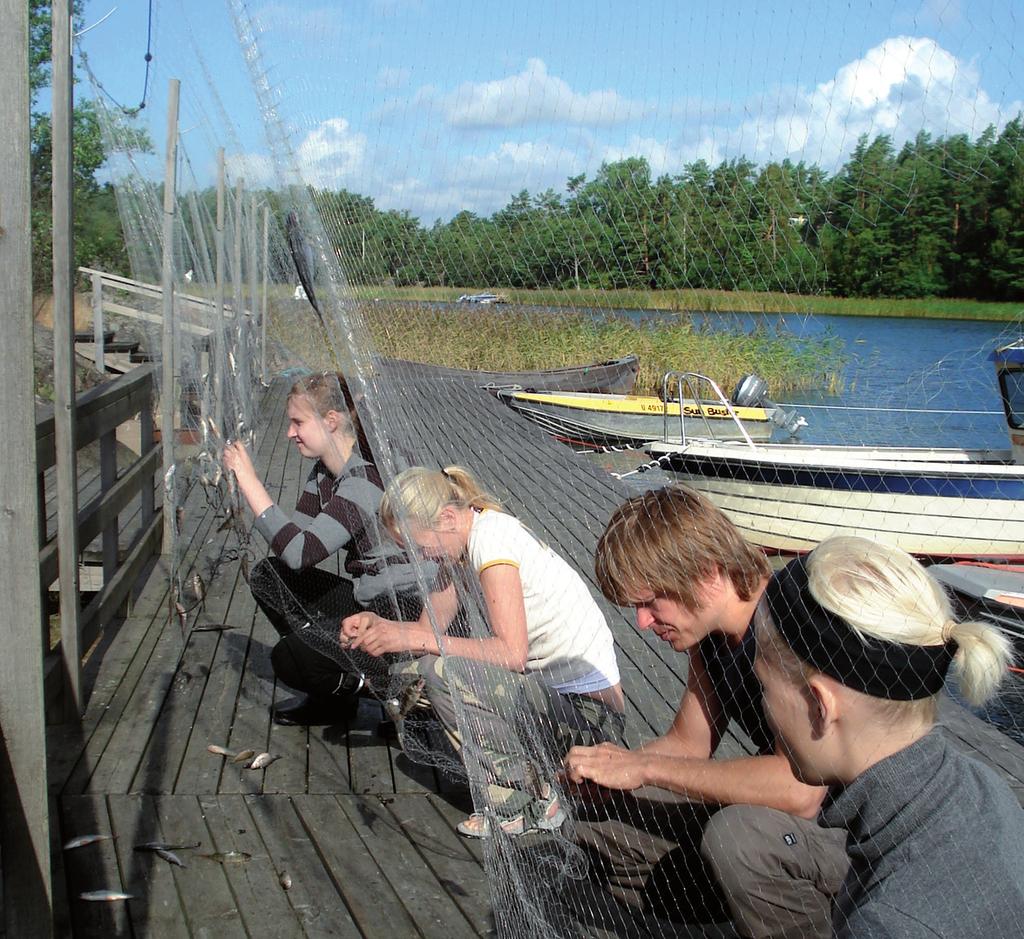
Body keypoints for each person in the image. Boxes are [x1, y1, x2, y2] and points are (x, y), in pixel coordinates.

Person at [563, 485, 848, 937]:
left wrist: (645, 768)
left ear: (706, 573)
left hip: (844, 837)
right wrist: (611, 771)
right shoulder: (711, 634)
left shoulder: (790, 626)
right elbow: (689, 744)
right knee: (591, 829)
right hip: (782, 823)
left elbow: (800, 791)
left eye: (651, 601)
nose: (641, 621)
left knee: (732, 837)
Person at [754, 535, 1024, 938]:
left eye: (764, 688)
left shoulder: (890, 923)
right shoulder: (981, 789)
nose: (764, 708)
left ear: (819, 705)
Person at [341, 465, 626, 837]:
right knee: (416, 673)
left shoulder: (492, 542)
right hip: (553, 703)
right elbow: (427, 631)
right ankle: (535, 781)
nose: (420, 558)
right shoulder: (459, 545)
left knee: (441, 673)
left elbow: (511, 654)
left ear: (446, 518)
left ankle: (527, 798)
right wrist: (375, 626)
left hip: (590, 721)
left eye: (418, 546)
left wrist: (406, 638)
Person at [223, 371, 424, 726]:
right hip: (370, 596)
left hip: (405, 608)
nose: (289, 433)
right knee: (270, 577)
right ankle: (334, 694)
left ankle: (396, 691)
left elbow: (301, 552)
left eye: (297, 422)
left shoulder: (368, 477)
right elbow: (294, 550)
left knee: (291, 659)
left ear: (331, 421)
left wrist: (250, 482)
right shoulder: (324, 474)